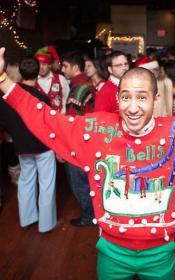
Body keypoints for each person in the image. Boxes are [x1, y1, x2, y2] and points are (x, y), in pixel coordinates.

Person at [0, 46, 175, 280]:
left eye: (142, 97)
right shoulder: (97, 130)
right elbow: (45, 118)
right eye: (126, 97)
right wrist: (2, 80)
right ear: (118, 99)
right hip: (111, 253)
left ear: (156, 99)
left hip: (161, 256)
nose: (133, 107)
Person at [0, 56, 57, 233]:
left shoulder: (8, 97)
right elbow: (50, 124)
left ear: (21, 73)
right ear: (37, 72)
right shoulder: (42, 97)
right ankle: (46, 224)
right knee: (46, 183)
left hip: (22, 146)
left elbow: (3, 122)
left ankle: (27, 219)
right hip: (43, 146)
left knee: (26, 181)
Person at [61, 50, 95, 227]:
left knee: (79, 182)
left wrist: (63, 146)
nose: (63, 69)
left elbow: (72, 123)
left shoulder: (79, 88)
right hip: (88, 141)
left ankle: (89, 216)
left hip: (78, 144)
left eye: (65, 66)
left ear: (75, 67)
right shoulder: (86, 84)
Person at [35, 49, 70, 114]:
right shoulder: (33, 80)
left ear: (49, 65)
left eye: (44, 64)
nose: (41, 68)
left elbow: (66, 99)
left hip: (57, 119)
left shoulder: (60, 79)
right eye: (39, 65)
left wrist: (63, 115)